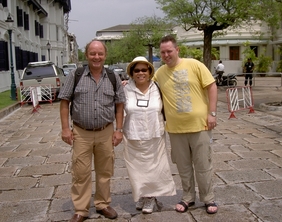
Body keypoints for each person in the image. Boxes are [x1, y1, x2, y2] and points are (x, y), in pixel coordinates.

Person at [58, 39, 126, 222]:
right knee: (80, 172)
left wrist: (119, 130)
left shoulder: (113, 77)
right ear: (86, 55)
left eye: (100, 54)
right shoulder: (76, 75)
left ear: (105, 55)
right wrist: (65, 129)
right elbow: (65, 102)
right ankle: (81, 209)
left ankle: (103, 204)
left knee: (105, 171)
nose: (96, 57)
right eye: (93, 53)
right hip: (81, 132)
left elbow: (119, 105)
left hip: (106, 131)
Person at [152, 35, 218, 214]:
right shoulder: (159, 73)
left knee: (203, 164)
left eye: (169, 51)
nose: (166, 55)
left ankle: (208, 198)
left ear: (177, 50)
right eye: (163, 52)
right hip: (175, 129)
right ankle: (188, 197)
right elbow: (147, 88)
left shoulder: (194, 65)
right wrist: (129, 84)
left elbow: (212, 86)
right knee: (183, 166)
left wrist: (212, 113)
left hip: (200, 125)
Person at [123, 56, 176, 214]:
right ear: (132, 73)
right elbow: (119, 110)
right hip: (133, 135)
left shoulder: (157, 88)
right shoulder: (125, 89)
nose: (140, 73)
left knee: (153, 168)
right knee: (137, 169)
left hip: (155, 135)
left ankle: (150, 197)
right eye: (137, 70)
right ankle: (142, 194)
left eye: (144, 70)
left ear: (149, 71)